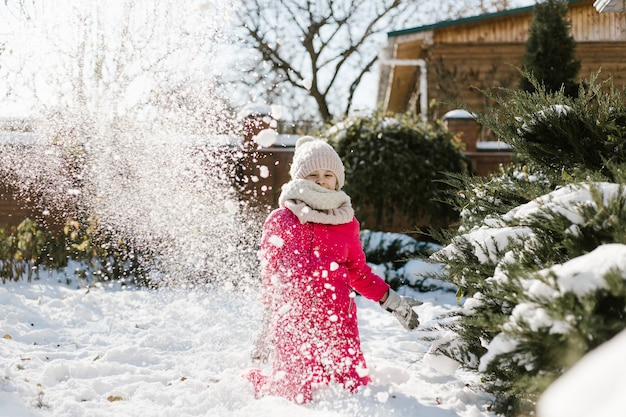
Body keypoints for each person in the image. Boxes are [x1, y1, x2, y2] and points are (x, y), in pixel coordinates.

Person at [246, 136, 422, 404]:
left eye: (328, 174)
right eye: (313, 174)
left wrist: (391, 300)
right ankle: (255, 381)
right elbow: (270, 277)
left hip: (337, 320)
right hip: (294, 322)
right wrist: (267, 325)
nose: (321, 180)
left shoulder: (346, 222)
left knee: (353, 389)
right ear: (299, 179)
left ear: (338, 180)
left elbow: (359, 273)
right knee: (292, 394)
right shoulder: (281, 219)